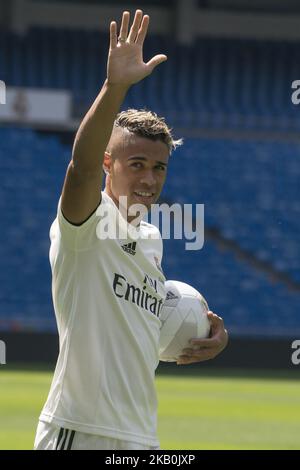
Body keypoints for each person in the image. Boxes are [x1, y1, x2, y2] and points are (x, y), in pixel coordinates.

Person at [34, 9, 228, 451]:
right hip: (79, 431)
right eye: (135, 164)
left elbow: (146, 332)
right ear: (109, 163)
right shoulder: (88, 220)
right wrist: (114, 86)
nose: (149, 179)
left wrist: (206, 337)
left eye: (158, 167)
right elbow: (79, 169)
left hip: (141, 438)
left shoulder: (152, 241)